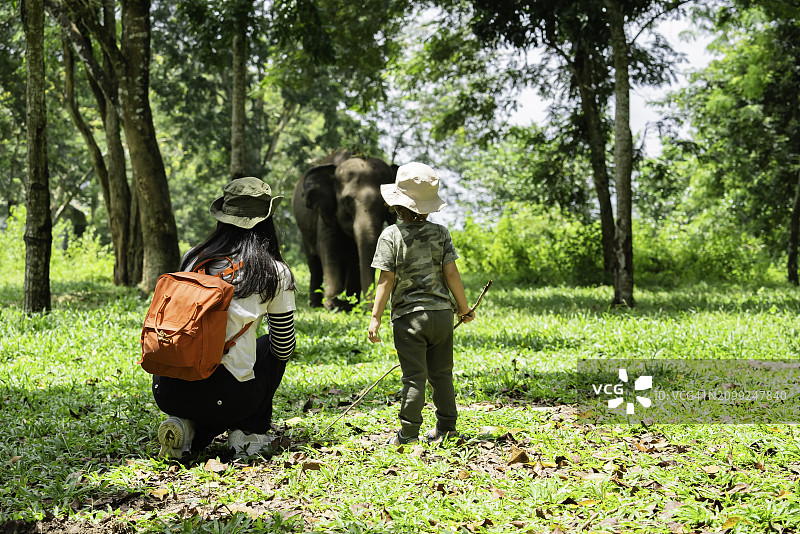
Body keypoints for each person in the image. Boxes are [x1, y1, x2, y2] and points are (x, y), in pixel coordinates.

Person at [152, 176, 297, 459]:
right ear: (265, 220)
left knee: (205, 384)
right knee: (270, 347)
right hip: (227, 399)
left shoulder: (193, 258)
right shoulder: (273, 270)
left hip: (168, 388)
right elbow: (284, 346)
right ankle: (249, 432)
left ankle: (187, 427)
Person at [367, 162, 474, 445]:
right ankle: (447, 428)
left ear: (396, 204)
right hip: (441, 315)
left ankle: (409, 434)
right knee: (442, 374)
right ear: (428, 206)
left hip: (408, 318)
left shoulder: (391, 235)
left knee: (414, 376)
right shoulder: (441, 234)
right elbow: (452, 273)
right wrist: (463, 308)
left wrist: (375, 317)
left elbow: (385, 280)